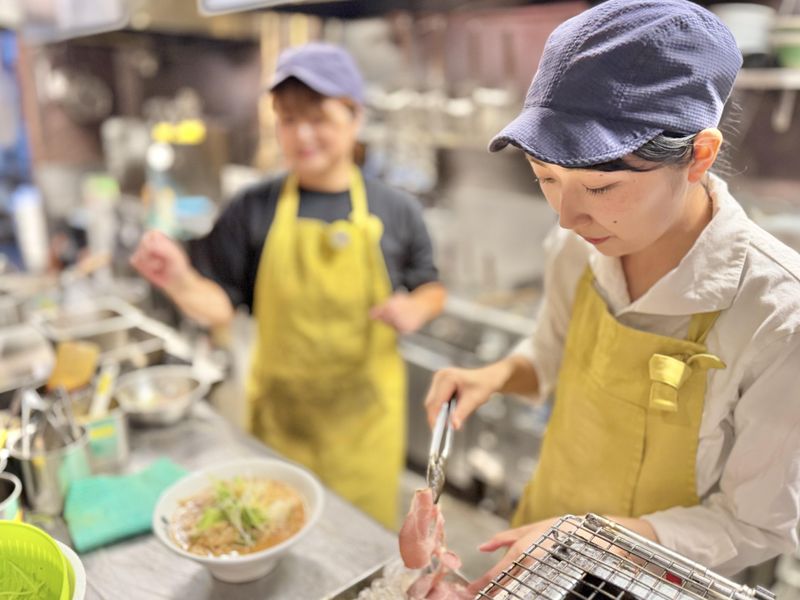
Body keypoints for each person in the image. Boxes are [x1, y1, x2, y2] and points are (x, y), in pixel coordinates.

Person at [422, 0, 800, 590]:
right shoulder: (577, 247)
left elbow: (753, 525)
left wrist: (591, 538)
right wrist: (493, 376)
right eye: (545, 177)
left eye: (600, 187)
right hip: (540, 546)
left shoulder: (775, 313)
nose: (568, 216)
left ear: (698, 155)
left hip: (651, 581)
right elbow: (550, 353)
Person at [131, 43, 446, 528]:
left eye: (318, 118)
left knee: (360, 544)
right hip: (281, 427)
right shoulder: (252, 208)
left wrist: (415, 309)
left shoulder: (396, 209)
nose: (302, 135)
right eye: (288, 119)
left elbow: (432, 287)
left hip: (364, 432)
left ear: (355, 117)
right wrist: (177, 279)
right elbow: (220, 307)